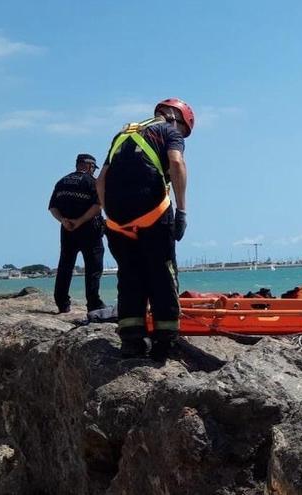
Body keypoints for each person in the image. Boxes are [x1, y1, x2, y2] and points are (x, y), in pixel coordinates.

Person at [96, 98, 194, 361]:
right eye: (184, 131)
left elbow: (101, 181)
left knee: (129, 277)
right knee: (162, 273)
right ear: (176, 117)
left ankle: (131, 341)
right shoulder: (168, 132)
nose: (182, 135)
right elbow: (176, 164)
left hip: (117, 222)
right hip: (154, 214)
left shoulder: (122, 135)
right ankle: (165, 343)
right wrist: (182, 211)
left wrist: (110, 217)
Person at [48, 153, 106, 314]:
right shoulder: (92, 183)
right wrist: (80, 221)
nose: (94, 171)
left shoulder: (61, 182)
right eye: (93, 167)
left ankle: (62, 303)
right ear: (87, 166)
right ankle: (93, 304)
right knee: (94, 268)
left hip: (67, 230)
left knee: (65, 266)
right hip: (89, 230)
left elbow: (53, 207)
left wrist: (63, 221)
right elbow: (98, 206)